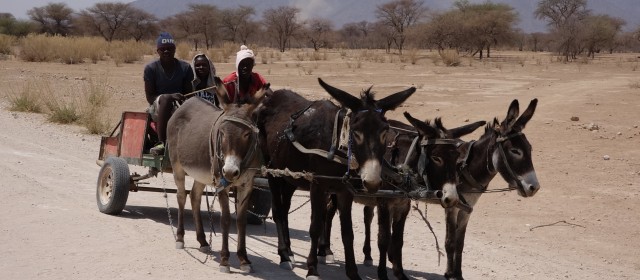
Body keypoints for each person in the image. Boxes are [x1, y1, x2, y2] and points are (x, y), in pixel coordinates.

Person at [144, 32, 194, 155]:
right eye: (163, 49)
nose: (166, 51)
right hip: (157, 107)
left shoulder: (185, 68)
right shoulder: (151, 69)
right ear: (158, 51)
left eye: (169, 49)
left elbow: (190, 94)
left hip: (179, 105)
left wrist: (179, 100)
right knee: (166, 99)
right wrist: (170, 97)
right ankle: (162, 143)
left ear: (174, 49)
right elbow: (150, 98)